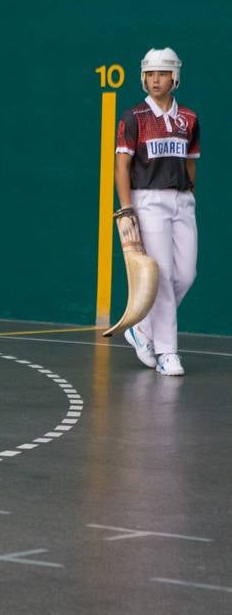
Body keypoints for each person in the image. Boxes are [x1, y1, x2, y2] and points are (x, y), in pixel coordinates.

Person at [114, 47, 200, 376]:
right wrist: (127, 208)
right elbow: (121, 165)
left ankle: (142, 329)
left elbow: (191, 163)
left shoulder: (189, 119)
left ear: (174, 77)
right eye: (150, 74)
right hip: (146, 200)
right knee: (162, 278)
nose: (155, 80)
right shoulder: (133, 118)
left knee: (186, 276)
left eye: (162, 73)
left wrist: (188, 196)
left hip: (182, 201)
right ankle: (167, 352)